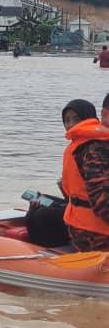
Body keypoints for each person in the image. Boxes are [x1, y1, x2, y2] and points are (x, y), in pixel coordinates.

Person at [60, 98, 109, 251]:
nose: (70, 125)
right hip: (94, 232)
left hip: (86, 223)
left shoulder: (92, 146)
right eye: (67, 120)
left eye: (75, 119)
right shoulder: (93, 149)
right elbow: (102, 201)